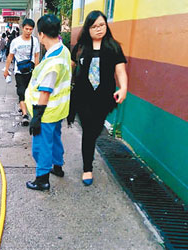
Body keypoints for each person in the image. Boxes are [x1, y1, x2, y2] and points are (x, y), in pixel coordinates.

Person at [68, 10, 128, 186]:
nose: (99, 29)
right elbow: (69, 68)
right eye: (94, 26)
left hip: (103, 99)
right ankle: (87, 168)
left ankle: (89, 153)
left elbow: (121, 71)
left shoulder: (113, 47)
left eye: (102, 25)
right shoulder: (80, 48)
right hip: (82, 97)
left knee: (94, 130)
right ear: (88, 28)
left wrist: (123, 88)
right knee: (88, 131)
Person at [24, 14, 72, 191]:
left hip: (47, 111)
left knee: (42, 145)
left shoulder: (53, 62)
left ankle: (42, 179)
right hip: (58, 109)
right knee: (55, 139)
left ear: (42, 34)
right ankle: (57, 166)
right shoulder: (63, 50)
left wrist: (36, 117)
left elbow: (45, 92)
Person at [3, 19, 40, 126]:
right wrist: (6, 69)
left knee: (31, 92)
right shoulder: (16, 41)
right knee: (21, 92)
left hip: (31, 71)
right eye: (26, 29)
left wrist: (37, 71)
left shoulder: (35, 41)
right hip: (19, 71)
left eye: (31, 30)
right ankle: (25, 115)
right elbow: (10, 56)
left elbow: (37, 56)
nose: (28, 31)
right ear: (22, 28)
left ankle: (27, 110)